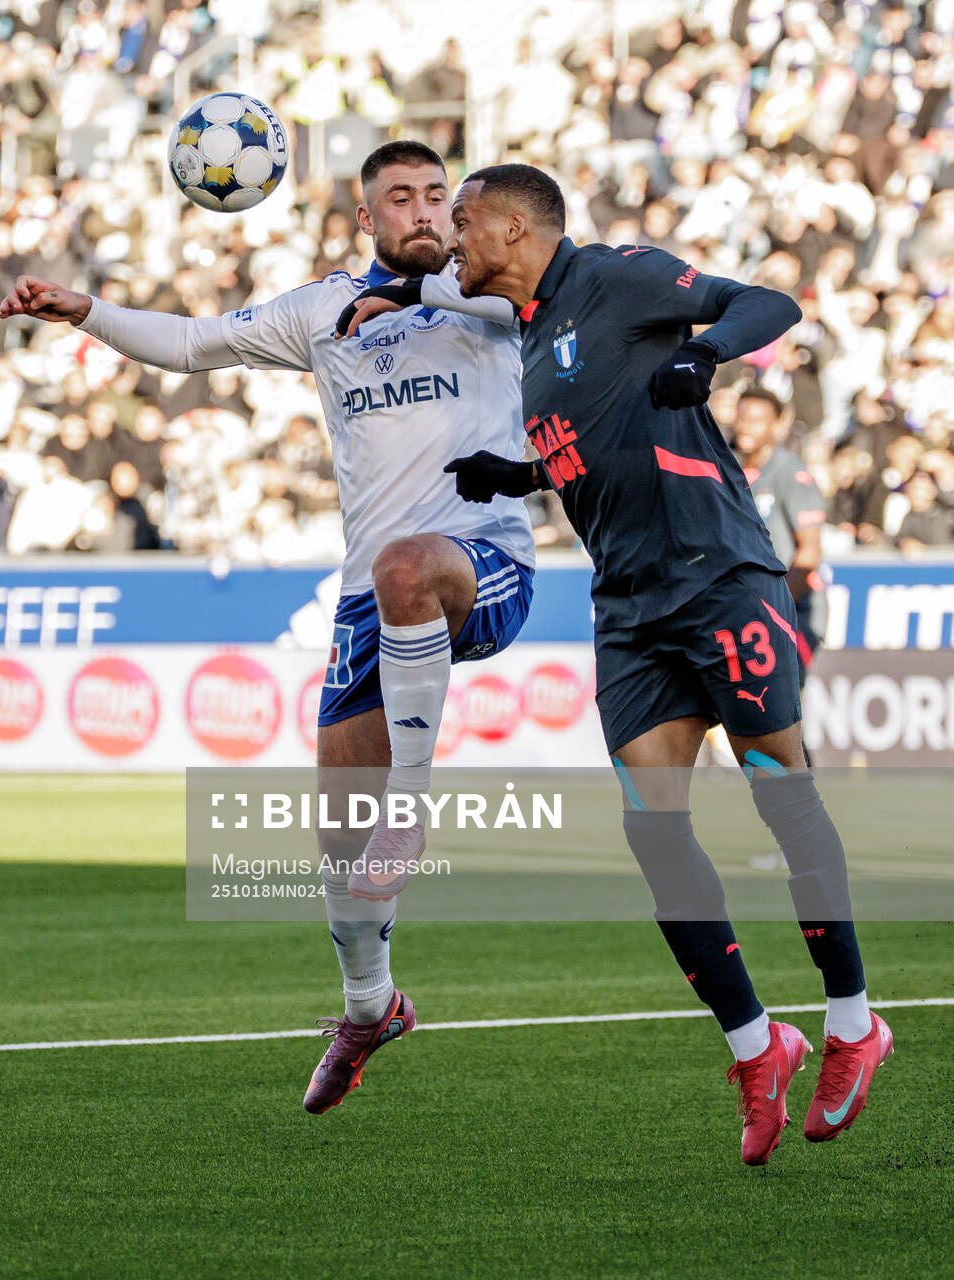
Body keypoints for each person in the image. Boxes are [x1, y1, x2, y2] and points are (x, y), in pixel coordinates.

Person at [353, 163, 886, 1166]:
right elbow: (597, 441)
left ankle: (853, 1022)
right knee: (654, 832)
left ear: (512, 226)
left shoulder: (616, 274)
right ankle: (753, 1041)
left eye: (460, 221)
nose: (452, 241)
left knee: (781, 794)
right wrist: (521, 470)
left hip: (718, 577)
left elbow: (763, 302)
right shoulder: (529, 337)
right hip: (629, 608)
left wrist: (709, 355)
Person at [0, 141, 537, 1116]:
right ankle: (368, 1007)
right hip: (368, 600)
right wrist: (84, 312)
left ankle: (410, 807)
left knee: (409, 566)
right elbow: (194, 341)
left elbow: (521, 305)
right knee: (336, 842)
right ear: (364, 216)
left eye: (433, 195)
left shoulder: (492, 292)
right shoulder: (319, 309)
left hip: (482, 559)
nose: (419, 209)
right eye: (397, 198)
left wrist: (420, 296)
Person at [730, 387, 826, 668]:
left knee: (780, 705)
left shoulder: (790, 474)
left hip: (792, 611)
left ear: (777, 425)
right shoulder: (730, 468)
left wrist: (776, 611)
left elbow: (809, 553)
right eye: (742, 417)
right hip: (745, 611)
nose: (746, 426)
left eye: (757, 419)